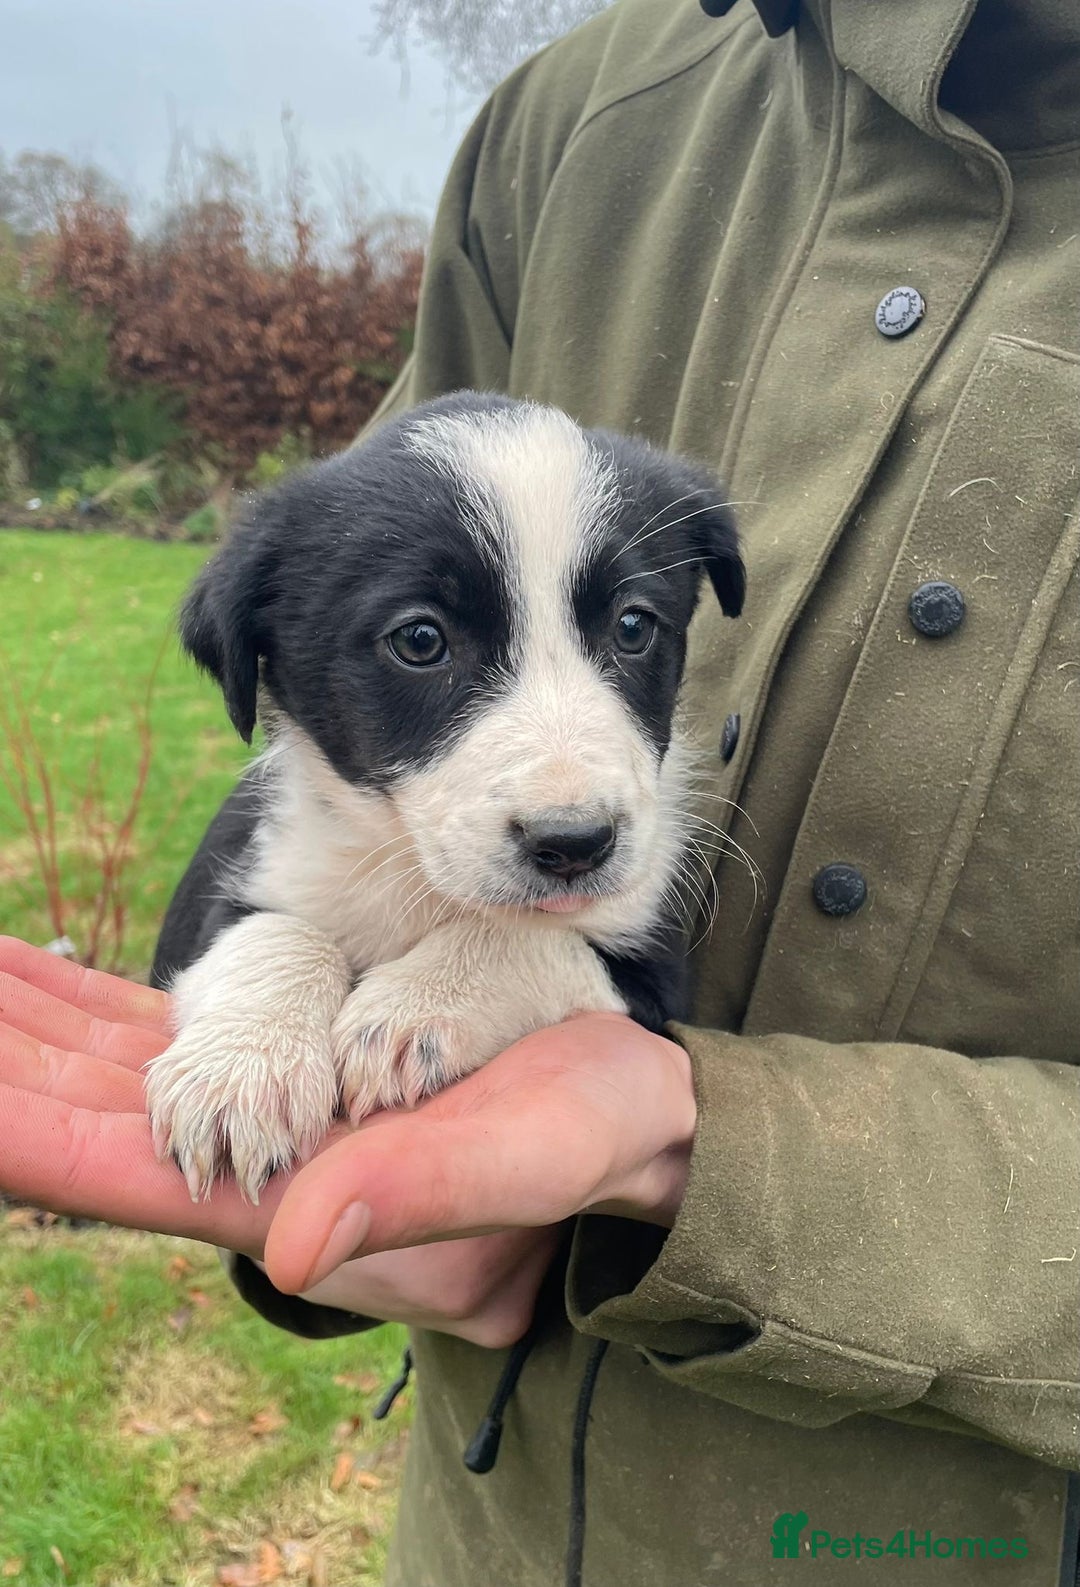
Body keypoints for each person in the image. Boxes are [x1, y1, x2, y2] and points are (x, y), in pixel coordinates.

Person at [2, 0, 1079, 1581]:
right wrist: (290, 1065)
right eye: (429, 640)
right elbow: (275, 885)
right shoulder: (577, 120)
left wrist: (606, 1063)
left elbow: (616, 962)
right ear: (270, 669)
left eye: (629, 625)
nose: (576, 785)